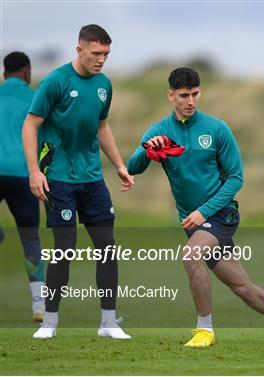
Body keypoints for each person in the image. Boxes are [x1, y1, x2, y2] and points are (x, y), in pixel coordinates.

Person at [127, 67, 264, 347]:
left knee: (190, 256)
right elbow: (132, 167)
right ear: (170, 95)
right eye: (184, 95)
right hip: (195, 222)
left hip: (221, 214)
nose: (191, 101)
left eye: (195, 94)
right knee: (242, 287)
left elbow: (236, 179)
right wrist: (148, 149)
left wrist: (203, 212)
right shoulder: (159, 129)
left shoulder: (217, 129)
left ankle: (204, 330)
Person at [22, 24, 134, 339]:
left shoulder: (104, 85)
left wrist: (120, 165)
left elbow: (102, 127)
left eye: (106, 54)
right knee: (64, 250)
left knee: (107, 249)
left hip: (92, 180)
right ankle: (50, 321)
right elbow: (31, 126)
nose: (101, 60)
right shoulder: (55, 82)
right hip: (58, 179)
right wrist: (34, 170)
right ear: (80, 49)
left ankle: (109, 323)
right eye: (96, 53)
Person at [0, 51, 45, 322]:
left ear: (4, 74)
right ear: (27, 73)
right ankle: (39, 304)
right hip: (22, 173)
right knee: (30, 237)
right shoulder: (33, 99)